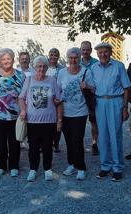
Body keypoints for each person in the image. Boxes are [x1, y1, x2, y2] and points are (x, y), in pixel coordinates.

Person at [91, 42, 131, 181]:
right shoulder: (93, 67)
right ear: (97, 54)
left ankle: (117, 167)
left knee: (115, 135)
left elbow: (126, 88)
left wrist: (125, 107)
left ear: (110, 52)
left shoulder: (118, 66)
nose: (103, 54)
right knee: (102, 135)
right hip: (100, 102)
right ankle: (105, 166)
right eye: (100, 52)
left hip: (115, 101)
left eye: (105, 51)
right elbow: (92, 87)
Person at [19, 56, 62, 182]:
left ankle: (48, 169)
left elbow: (59, 101)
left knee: (48, 146)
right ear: (35, 67)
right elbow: (21, 97)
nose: (41, 69)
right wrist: (23, 110)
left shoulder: (52, 80)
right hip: (33, 121)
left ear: (47, 68)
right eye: (39, 66)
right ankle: (33, 169)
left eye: (44, 66)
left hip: (49, 121)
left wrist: (59, 120)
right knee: (33, 147)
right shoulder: (29, 80)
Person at [0, 49, 24, 177]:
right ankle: (1, 165)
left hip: (15, 115)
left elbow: (23, 96)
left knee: (14, 142)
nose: (6, 61)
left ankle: (14, 166)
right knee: (0, 142)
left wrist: (24, 111)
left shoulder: (20, 75)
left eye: (9, 59)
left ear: (13, 60)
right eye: (4, 59)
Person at [57, 47, 95, 180]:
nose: (73, 60)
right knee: (68, 140)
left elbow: (94, 89)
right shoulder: (62, 72)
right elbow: (58, 90)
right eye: (71, 58)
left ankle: (81, 167)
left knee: (77, 139)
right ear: (68, 59)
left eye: (76, 58)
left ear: (79, 58)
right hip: (65, 111)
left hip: (80, 111)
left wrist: (88, 86)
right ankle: (71, 163)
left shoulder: (86, 72)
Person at [80, 41, 99, 155]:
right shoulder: (77, 63)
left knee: (93, 122)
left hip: (92, 95)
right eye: (83, 50)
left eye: (87, 49)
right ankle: (79, 144)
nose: (85, 52)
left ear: (91, 50)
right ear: (80, 50)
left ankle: (94, 143)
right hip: (80, 96)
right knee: (80, 122)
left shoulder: (96, 64)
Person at [46, 48, 64, 153]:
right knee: (47, 121)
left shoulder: (61, 69)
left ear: (58, 57)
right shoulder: (44, 67)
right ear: (49, 55)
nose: (53, 57)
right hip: (46, 97)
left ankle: (56, 143)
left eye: (55, 55)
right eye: (51, 55)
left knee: (58, 120)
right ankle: (46, 143)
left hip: (57, 97)